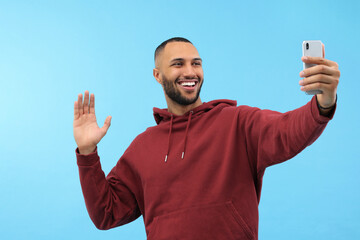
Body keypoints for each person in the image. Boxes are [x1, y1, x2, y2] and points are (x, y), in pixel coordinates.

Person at [73, 37, 339, 239]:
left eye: (196, 63)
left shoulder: (237, 122)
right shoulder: (143, 147)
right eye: (178, 64)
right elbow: (106, 213)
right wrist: (87, 153)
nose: (190, 72)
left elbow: (287, 130)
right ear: (158, 75)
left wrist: (323, 102)